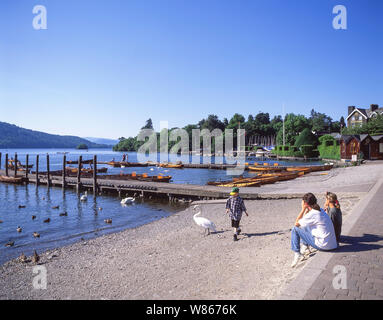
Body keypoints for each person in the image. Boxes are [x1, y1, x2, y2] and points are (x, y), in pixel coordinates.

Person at [291, 193, 338, 267]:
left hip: (324, 246)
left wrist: (303, 209)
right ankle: (306, 247)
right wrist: (306, 210)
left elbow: (296, 224)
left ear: (305, 203)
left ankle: (297, 253)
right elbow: (305, 220)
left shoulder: (313, 214)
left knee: (295, 229)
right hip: (332, 244)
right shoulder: (321, 210)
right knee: (305, 225)